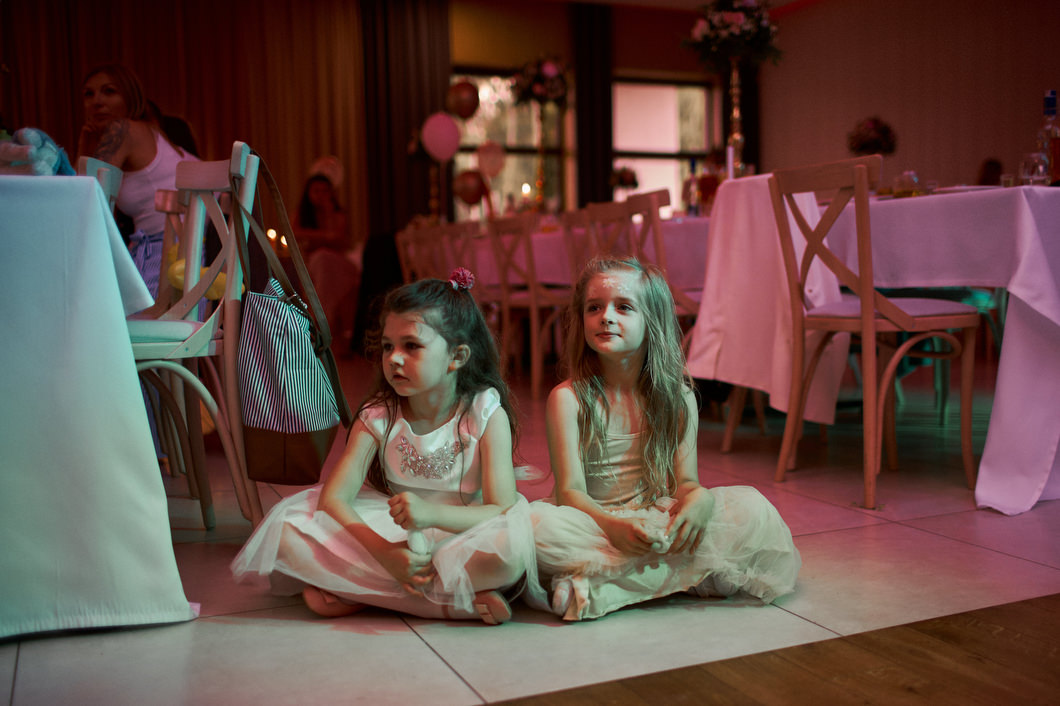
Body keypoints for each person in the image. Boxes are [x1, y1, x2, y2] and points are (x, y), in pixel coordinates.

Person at [232, 270, 548, 623]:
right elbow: (333, 499)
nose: (394, 358)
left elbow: (501, 509)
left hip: (462, 529)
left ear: (457, 356)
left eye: (411, 346)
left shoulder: (484, 411)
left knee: (507, 556)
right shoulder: (379, 414)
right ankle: (446, 604)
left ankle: (362, 592)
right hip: (389, 531)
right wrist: (385, 554)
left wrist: (431, 515)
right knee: (288, 536)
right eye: (387, 346)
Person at [530, 257, 801, 621]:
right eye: (594, 307)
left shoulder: (679, 397)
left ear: (652, 320)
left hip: (655, 517)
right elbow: (570, 493)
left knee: (753, 510)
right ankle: (674, 576)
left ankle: (606, 587)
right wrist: (614, 527)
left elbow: (685, 482)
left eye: (623, 307)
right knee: (535, 530)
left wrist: (700, 498)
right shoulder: (568, 398)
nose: (605, 316)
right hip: (593, 522)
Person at [77, 63, 199, 298]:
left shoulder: (123, 129)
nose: (97, 101)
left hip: (168, 258)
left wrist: (83, 147)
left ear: (130, 96)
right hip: (188, 258)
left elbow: (85, 200)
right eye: (88, 94)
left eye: (109, 91)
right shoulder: (152, 130)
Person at [293, 160, 362, 348]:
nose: (321, 196)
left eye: (325, 191)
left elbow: (339, 240)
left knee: (322, 259)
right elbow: (295, 234)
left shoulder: (337, 214)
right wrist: (324, 236)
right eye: (317, 191)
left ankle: (321, 320)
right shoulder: (303, 214)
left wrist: (327, 217)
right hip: (315, 266)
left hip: (339, 264)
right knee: (319, 262)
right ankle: (324, 322)